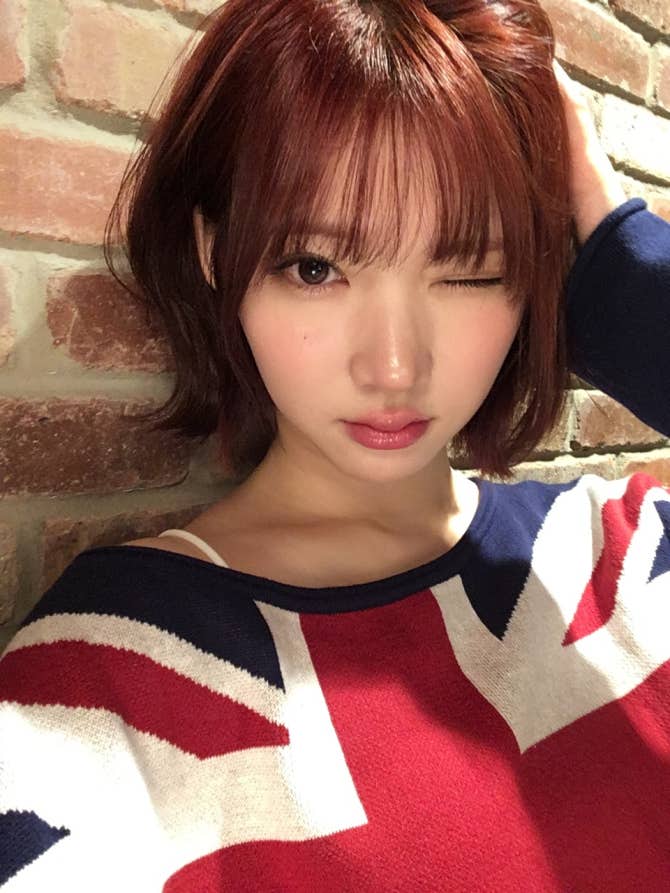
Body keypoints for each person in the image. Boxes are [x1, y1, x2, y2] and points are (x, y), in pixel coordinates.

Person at [1, 1, 669, 890]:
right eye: (315, 267)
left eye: (469, 271)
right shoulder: (108, 676)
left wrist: (628, 270)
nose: (394, 366)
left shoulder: (630, 555)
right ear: (214, 252)